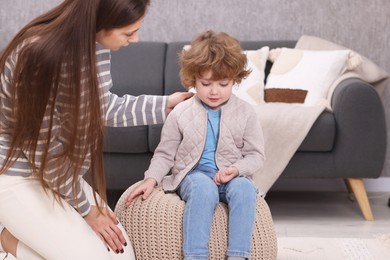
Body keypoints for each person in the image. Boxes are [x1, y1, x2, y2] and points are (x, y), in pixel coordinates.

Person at [0, 0, 192, 259]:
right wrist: (87, 210)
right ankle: (9, 242)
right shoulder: (37, 56)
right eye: (128, 33)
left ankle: (16, 237)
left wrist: (167, 105)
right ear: (100, 22)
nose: (135, 40)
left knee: (121, 254)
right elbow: (44, 152)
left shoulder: (95, 47)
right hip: (18, 176)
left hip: (58, 176)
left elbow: (102, 107)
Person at [126, 30, 265, 260]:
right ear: (193, 79)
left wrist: (236, 170)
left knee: (245, 189)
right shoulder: (181, 112)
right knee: (204, 188)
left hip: (230, 175)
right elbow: (164, 154)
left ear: (235, 80)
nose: (214, 91)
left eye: (223, 83)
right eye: (206, 83)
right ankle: (196, 256)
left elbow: (256, 156)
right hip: (193, 175)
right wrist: (151, 179)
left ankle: (239, 255)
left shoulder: (246, 113)